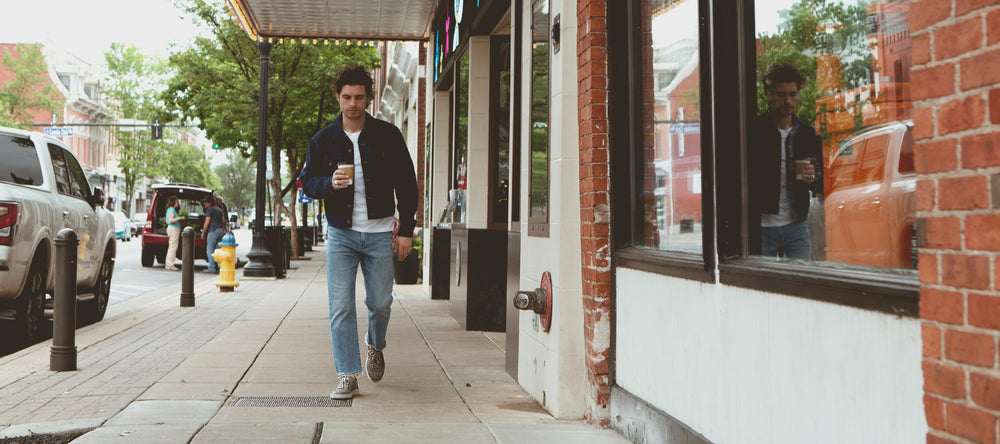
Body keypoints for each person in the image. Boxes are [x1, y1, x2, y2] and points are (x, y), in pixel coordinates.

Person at [299, 65, 418, 400]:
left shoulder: (388, 135)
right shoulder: (322, 140)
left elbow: (407, 184)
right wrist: (328, 183)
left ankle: (375, 344)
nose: (352, 103)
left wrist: (406, 229)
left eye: (359, 97)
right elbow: (307, 182)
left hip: (381, 233)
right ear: (338, 97)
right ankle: (347, 374)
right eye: (346, 97)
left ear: (368, 98)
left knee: (380, 303)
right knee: (340, 305)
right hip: (341, 234)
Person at [749, 63, 823, 259]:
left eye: (793, 94)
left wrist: (813, 179)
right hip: (762, 228)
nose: (788, 101)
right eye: (781, 95)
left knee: (801, 283)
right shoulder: (754, 132)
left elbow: (823, 181)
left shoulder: (808, 134)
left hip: (796, 226)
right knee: (763, 286)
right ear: (769, 94)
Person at [200, 196, 225, 273]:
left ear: (208, 203)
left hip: (213, 230)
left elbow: (207, 222)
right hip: (220, 230)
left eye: (205, 203)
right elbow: (223, 220)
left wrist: (203, 232)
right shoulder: (219, 209)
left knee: (210, 249)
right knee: (218, 250)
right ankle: (219, 266)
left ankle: (211, 267)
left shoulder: (209, 210)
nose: (204, 205)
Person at [164, 196, 182, 271]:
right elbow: (171, 220)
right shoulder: (172, 209)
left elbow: (167, 221)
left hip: (171, 228)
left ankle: (168, 264)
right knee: (173, 247)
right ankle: (170, 264)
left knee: (171, 246)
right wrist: (179, 218)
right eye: (177, 202)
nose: (178, 203)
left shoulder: (169, 209)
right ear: (174, 202)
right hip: (174, 229)